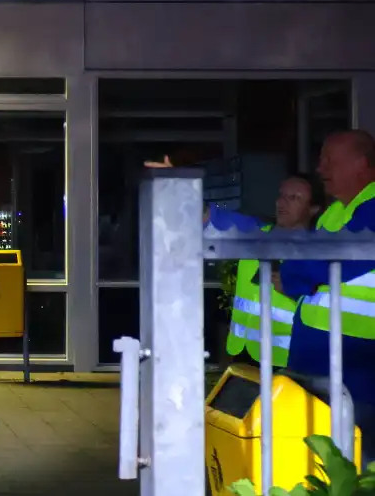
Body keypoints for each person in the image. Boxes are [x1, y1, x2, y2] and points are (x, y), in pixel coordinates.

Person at [146, 157, 323, 367]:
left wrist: (294, 290)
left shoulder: (319, 251)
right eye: (282, 195)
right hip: (242, 354)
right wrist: (180, 185)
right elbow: (210, 218)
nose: (283, 203)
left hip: (285, 361)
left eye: (294, 198)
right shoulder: (256, 233)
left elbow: (330, 306)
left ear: (314, 209)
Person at [278, 130, 375, 410]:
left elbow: (320, 266)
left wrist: (297, 276)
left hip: (357, 370)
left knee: (356, 450)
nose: (321, 169)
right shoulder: (335, 212)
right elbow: (305, 264)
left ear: (361, 164)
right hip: (321, 365)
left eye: (330, 161)